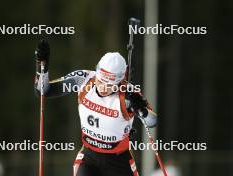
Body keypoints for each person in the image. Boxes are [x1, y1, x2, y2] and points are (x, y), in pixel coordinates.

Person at [34, 40, 157, 176]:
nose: (103, 87)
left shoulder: (129, 95)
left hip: (119, 161)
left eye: (109, 84)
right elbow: (43, 91)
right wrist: (42, 66)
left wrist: (141, 109)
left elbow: (152, 121)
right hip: (89, 158)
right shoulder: (83, 80)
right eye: (100, 80)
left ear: (120, 81)